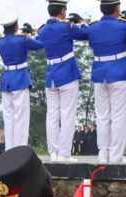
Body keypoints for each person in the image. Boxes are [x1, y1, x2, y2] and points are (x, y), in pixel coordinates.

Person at [37, 0, 89, 162]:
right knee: (67, 115)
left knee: (52, 115)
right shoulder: (67, 27)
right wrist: (81, 22)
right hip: (67, 74)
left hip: (51, 75)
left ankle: (53, 151)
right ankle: (64, 153)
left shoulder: (43, 30)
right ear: (62, 11)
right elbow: (85, 34)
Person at [85, 0, 126, 164]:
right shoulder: (123, 25)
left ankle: (103, 153)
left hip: (100, 73)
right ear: (117, 8)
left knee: (102, 116)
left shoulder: (93, 27)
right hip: (119, 72)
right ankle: (116, 156)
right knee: (118, 116)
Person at [0, 8, 45, 150]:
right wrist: (34, 33)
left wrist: (24, 35)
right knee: (21, 118)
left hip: (6, 81)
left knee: (9, 119)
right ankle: (20, 150)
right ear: (16, 25)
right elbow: (40, 44)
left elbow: (10, 41)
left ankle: (9, 149)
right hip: (20, 79)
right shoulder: (22, 40)